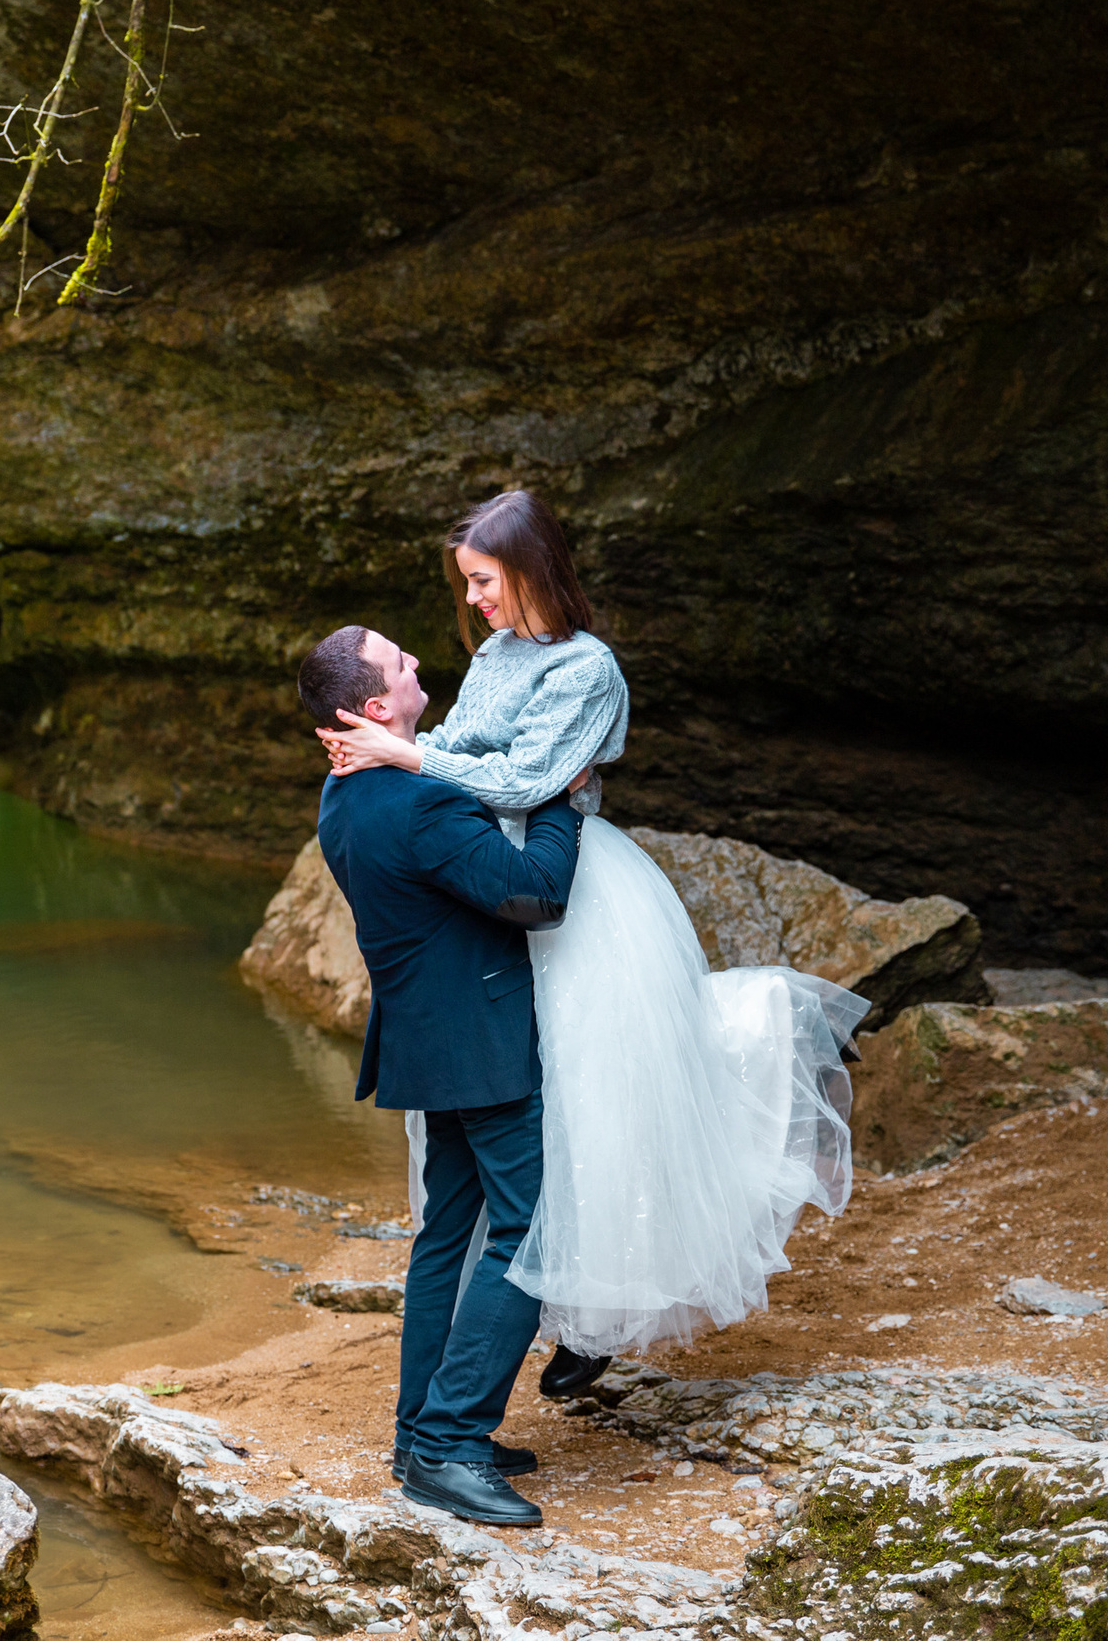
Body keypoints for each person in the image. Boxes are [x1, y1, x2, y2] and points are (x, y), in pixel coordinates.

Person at [321, 490, 863, 1364]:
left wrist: (407, 757)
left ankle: (600, 1307)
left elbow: (528, 779)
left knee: (605, 1097)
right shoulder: (499, 653)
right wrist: (408, 761)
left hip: (562, 881)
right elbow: (465, 745)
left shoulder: (587, 669)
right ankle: (555, 1315)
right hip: (490, 885)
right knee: (546, 1114)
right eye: (467, 583)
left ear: (529, 569)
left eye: (483, 580)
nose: (473, 601)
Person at [302, 622, 579, 1528]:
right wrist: (565, 799)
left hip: (425, 1038)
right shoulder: (421, 801)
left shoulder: (341, 794)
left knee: (446, 1235)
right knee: (529, 1228)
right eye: (402, 663)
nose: (421, 662)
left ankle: (416, 1432)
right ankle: (452, 1443)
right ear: (374, 706)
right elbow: (535, 893)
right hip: (479, 1039)